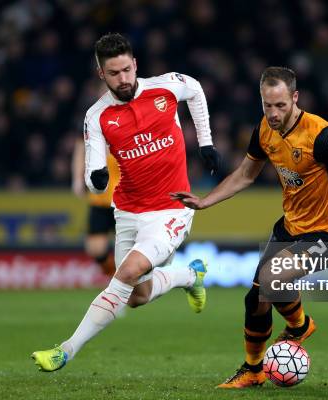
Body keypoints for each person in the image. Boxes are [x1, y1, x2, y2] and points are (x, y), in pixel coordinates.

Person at [172, 66, 328, 388]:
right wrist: (207, 201)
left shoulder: (322, 135)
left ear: (295, 98)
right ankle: (253, 370)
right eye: (267, 105)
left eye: (280, 106)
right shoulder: (264, 129)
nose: (273, 113)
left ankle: (300, 325)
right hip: (290, 227)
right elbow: (246, 175)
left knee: (271, 279)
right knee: (257, 298)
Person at [32, 33, 220, 372]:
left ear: (135, 65)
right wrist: (97, 177)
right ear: (101, 74)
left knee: (127, 272)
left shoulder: (165, 87)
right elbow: (92, 169)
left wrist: (206, 142)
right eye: (114, 73)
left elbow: (195, 88)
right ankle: (189, 276)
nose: (123, 79)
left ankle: (65, 350)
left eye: (127, 70)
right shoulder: (97, 115)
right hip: (129, 211)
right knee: (138, 296)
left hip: (171, 210)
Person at [72, 136, 119, 278]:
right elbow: (80, 149)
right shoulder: (92, 120)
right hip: (100, 199)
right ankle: (114, 274)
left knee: (128, 247)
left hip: (125, 199)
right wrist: (77, 179)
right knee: (95, 249)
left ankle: (127, 282)